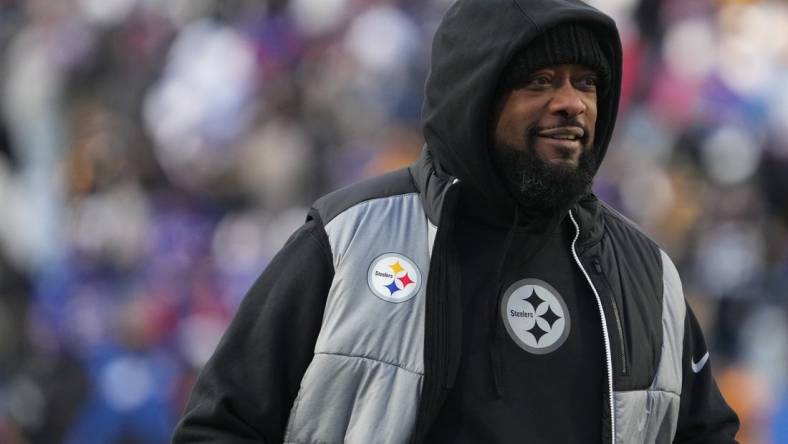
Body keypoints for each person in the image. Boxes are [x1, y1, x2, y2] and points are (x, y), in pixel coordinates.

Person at [172, 0, 740, 442]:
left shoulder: (646, 273)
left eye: (586, 82)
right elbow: (220, 426)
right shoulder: (350, 239)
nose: (573, 103)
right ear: (476, 95)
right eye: (540, 80)